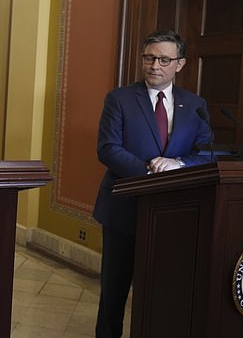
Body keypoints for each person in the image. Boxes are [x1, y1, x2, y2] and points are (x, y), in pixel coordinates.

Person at [92, 30, 212, 338]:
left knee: (164, 290)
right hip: (123, 210)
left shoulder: (195, 104)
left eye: (163, 59)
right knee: (114, 293)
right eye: (149, 57)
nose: (154, 65)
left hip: (174, 214)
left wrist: (178, 165)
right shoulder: (119, 98)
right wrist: (150, 173)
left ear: (180, 64)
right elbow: (108, 148)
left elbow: (206, 152)